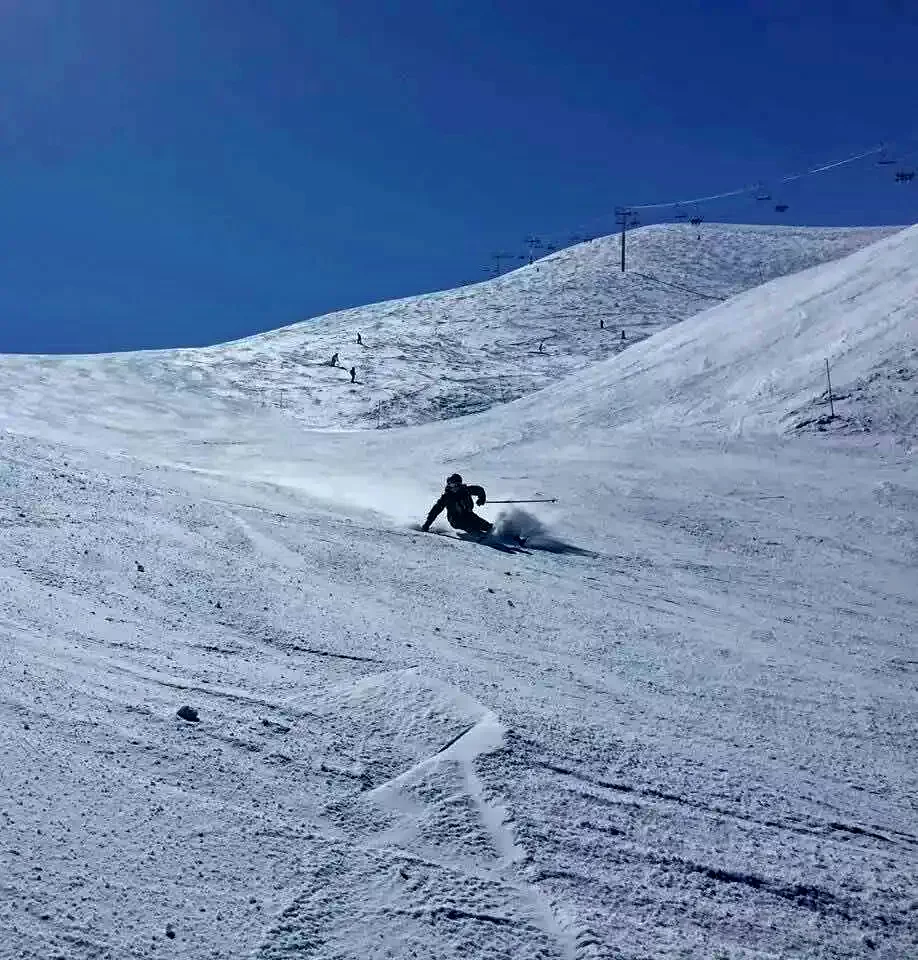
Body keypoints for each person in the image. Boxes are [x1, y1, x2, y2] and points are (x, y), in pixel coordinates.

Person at [421, 474, 493, 535]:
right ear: (449, 485)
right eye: (453, 485)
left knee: (487, 526)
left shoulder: (466, 490)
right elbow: (435, 510)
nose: (455, 487)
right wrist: (427, 524)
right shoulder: (446, 497)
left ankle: (491, 531)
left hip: (469, 515)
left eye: (458, 484)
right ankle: (474, 533)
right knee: (468, 525)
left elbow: (479, 490)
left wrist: (481, 499)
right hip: (455, 519)